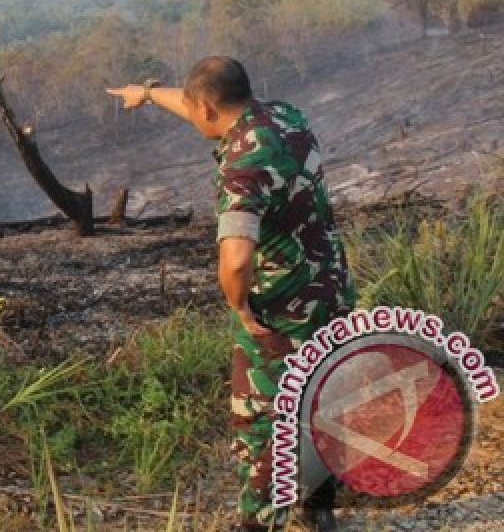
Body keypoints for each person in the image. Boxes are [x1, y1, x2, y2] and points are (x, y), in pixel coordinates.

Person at [108, 57, 355, 532]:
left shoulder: (243, 166)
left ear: (207, 107)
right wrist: (147, 91)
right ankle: (320, 508)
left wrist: (238, 305)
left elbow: (237, 258)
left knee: (263, 420)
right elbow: (196, 104)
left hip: (281, 310)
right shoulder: (285, 116)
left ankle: (260, 523)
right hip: (332, 291)